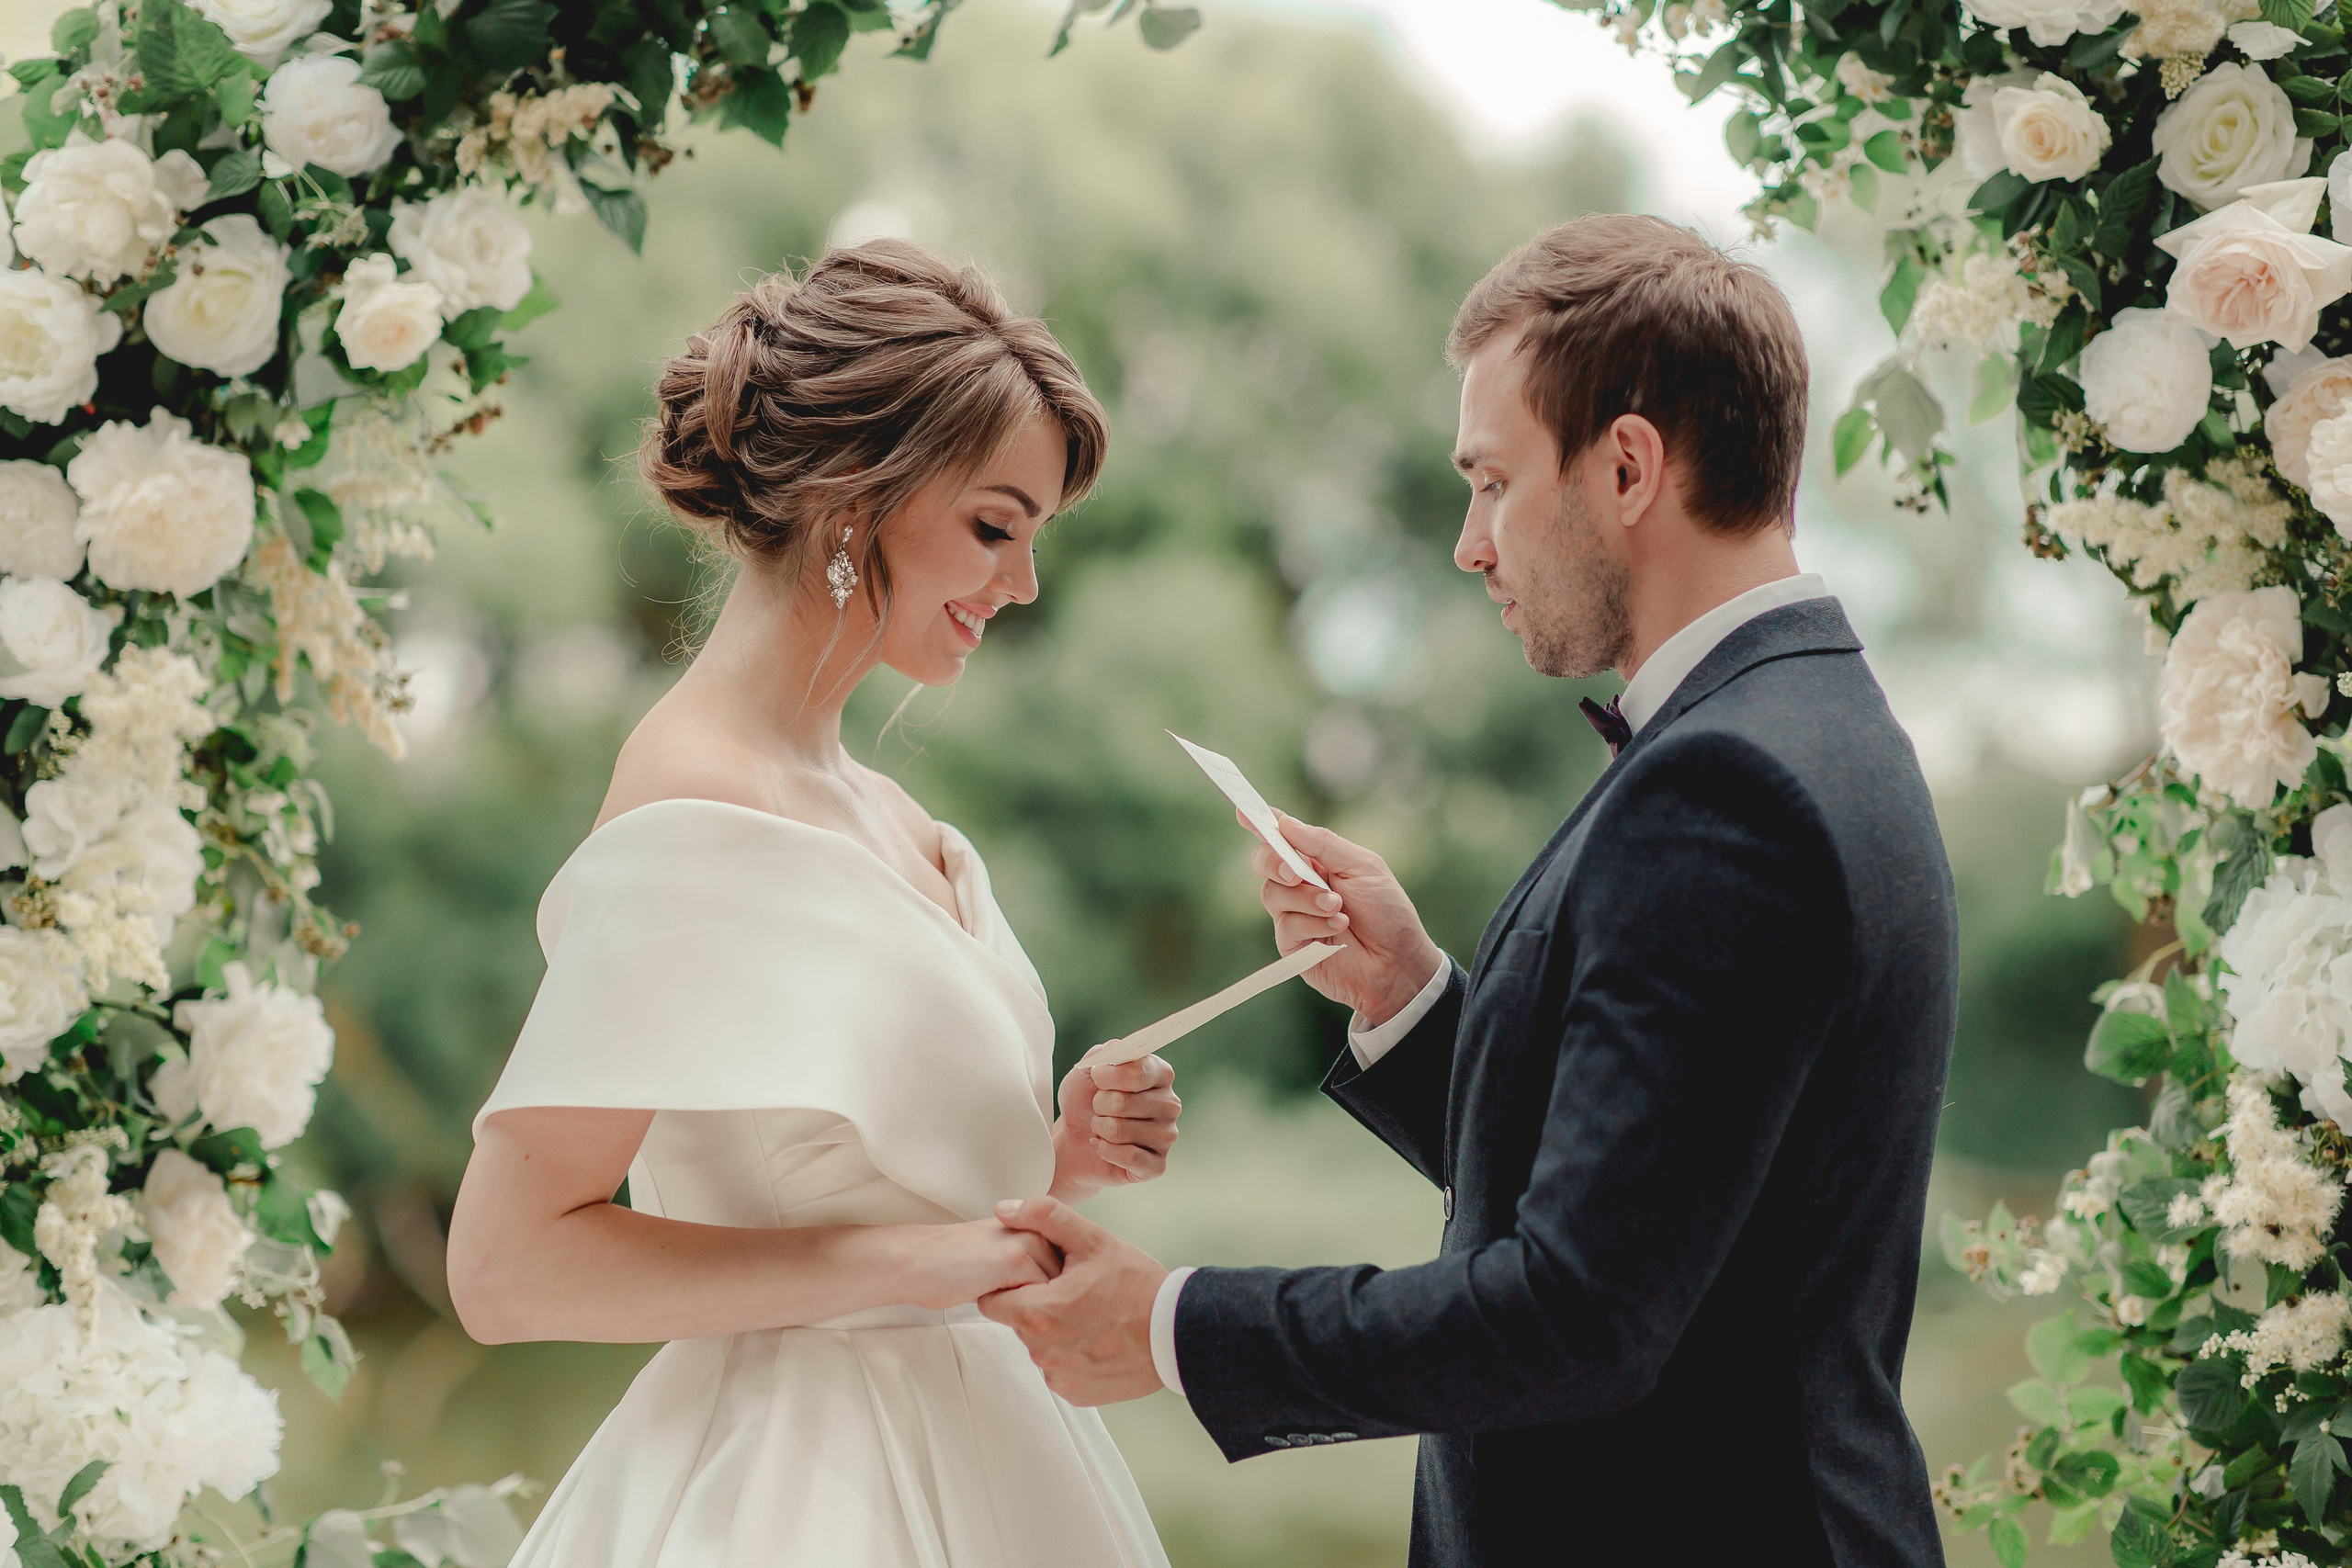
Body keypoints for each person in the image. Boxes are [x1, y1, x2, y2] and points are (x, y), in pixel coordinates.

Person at [977, 213, 1961, 1567]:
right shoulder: (1801, 728)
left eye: (1491, 481)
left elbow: (1580, 1316)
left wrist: (1169, 1322)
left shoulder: (1729, 790)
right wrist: (1407, 995)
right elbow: (1658, 1197)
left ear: (1626, 466)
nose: (1468, 542)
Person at [445, 240, 1178, 1568]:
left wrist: (1054, 1156)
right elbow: (507, 1268)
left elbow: (884, 1180)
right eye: (995, 527)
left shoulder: (895, 819)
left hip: (1000, 1448)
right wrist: (924, 1264)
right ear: (857, 499)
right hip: (804, 1489)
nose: (1018, 588)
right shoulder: (697, 809)